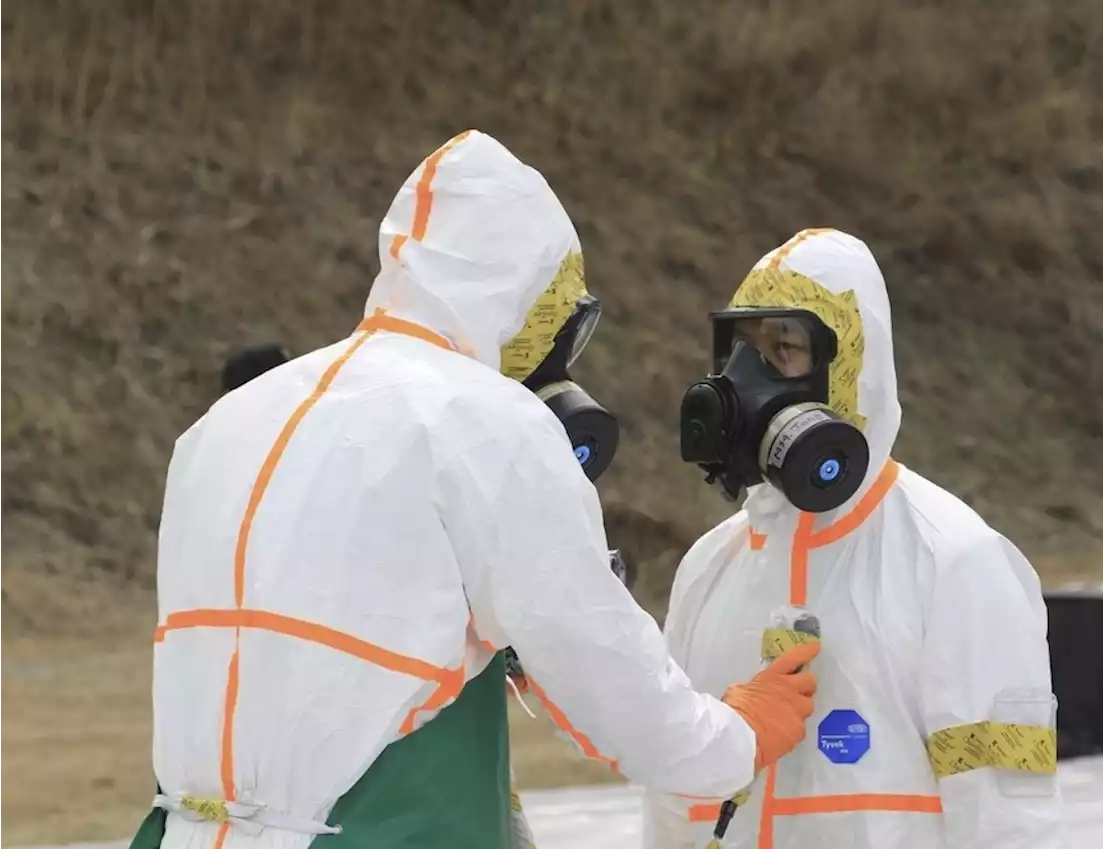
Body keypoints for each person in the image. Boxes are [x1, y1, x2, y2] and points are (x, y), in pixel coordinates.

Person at [128, 131, 820, 849]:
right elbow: (604, 679)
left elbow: (323, 644)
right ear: (532, 302)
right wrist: (735, 735)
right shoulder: (491, 424)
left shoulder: (224, 424)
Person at [646, 228, 1064, 849]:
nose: (747, 380)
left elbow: (1008, 818)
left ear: (850, 369)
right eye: (740, 350)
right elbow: (670, 803)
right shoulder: (709, 567)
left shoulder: (953, 560)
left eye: (783, 347)